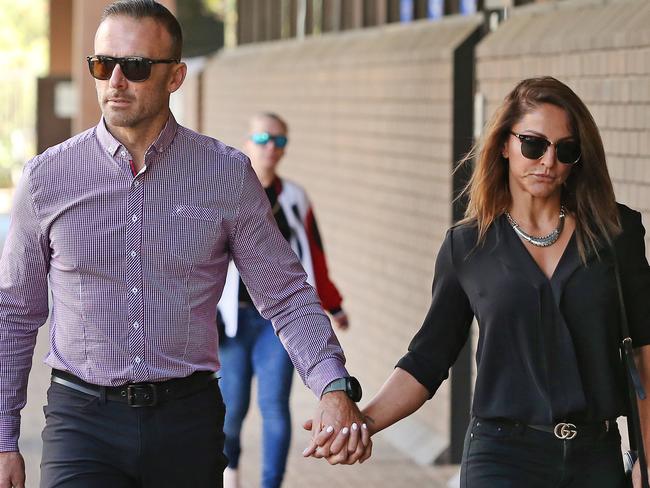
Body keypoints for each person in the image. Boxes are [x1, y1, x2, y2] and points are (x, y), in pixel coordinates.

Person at [0, 2, 370, 487]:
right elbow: (14, 311)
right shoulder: (48, 176)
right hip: (81, 421)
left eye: (134, 67)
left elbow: (285, 293)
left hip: (187, 420)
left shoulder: (225, 174)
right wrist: (5, 437)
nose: (115, 81)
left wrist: (332, 384)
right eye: (102, 64)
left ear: (175, 77)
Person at [305, 76, 650, 487]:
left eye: (566, 150)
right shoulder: (467, 246)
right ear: (505, 144)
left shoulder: (617, 233)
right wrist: (359, 424)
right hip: (501, 456)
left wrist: (646, 461)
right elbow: (427, 360)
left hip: (596, 457)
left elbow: (645, 358)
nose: (548, 161)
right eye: (534, 144)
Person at [217, 112, 349, 488]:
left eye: (279, 141)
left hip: (278, 323)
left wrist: (332, 304)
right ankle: (231, 476)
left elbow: (314, 255)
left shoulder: (294, 198)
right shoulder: (226, 194)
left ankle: (270, 484)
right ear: (247, 143)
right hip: (231, 320)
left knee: (274, 407)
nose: (270, 148)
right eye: (262, 139)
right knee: (232, 409)